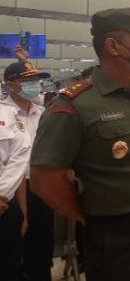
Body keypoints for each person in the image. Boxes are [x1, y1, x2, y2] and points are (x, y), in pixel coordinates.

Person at [29, 8, 130, 281]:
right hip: (117, 232)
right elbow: (44, 181)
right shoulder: (73, 105)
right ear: (113, 46)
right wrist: (90, 216)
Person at [3, 61, 53, 281]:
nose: (34, 85)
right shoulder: (3, 115)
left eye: (36, 80)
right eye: (28, 81)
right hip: (11, 192)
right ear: (12, 85)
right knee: (11, 249)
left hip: (41, 187)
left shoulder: (44, 115)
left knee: (41, 245)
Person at [0, 97, 31, 281]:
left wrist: (1, 194)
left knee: (7, 266)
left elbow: (19, 158)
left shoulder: (8, 114)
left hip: (5, 205)